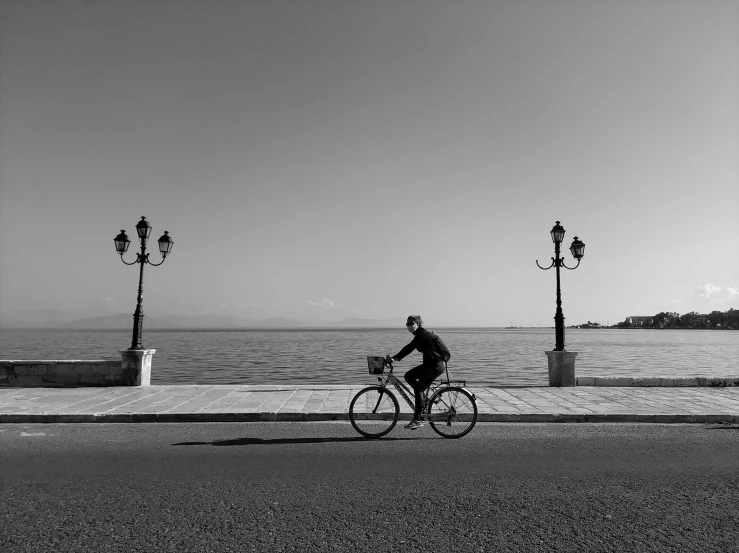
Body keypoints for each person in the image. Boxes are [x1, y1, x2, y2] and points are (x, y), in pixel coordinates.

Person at [387, 315, 446, 430]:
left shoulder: (422, 334)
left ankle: (417, 419)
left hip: (435, 366)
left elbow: (410, 347)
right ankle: (423, 399)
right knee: (409, 376)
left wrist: (395, 358)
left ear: (417, 323)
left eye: (411, 323)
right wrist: (395, 357)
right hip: (429, 365)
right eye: (407, 324)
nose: (409, 326)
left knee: (419, 388)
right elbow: (410, 347)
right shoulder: (419, 334)